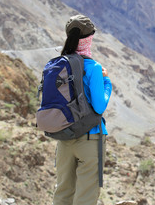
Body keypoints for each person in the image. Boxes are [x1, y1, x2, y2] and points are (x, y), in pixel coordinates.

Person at [53, 15, 112, 205]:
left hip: (64, 138)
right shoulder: (93, 67)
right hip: (90, 139)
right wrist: (107, 82)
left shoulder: (57, 65)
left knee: (62, 193)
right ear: (89, 39)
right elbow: (99, 106)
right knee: (85, 197)